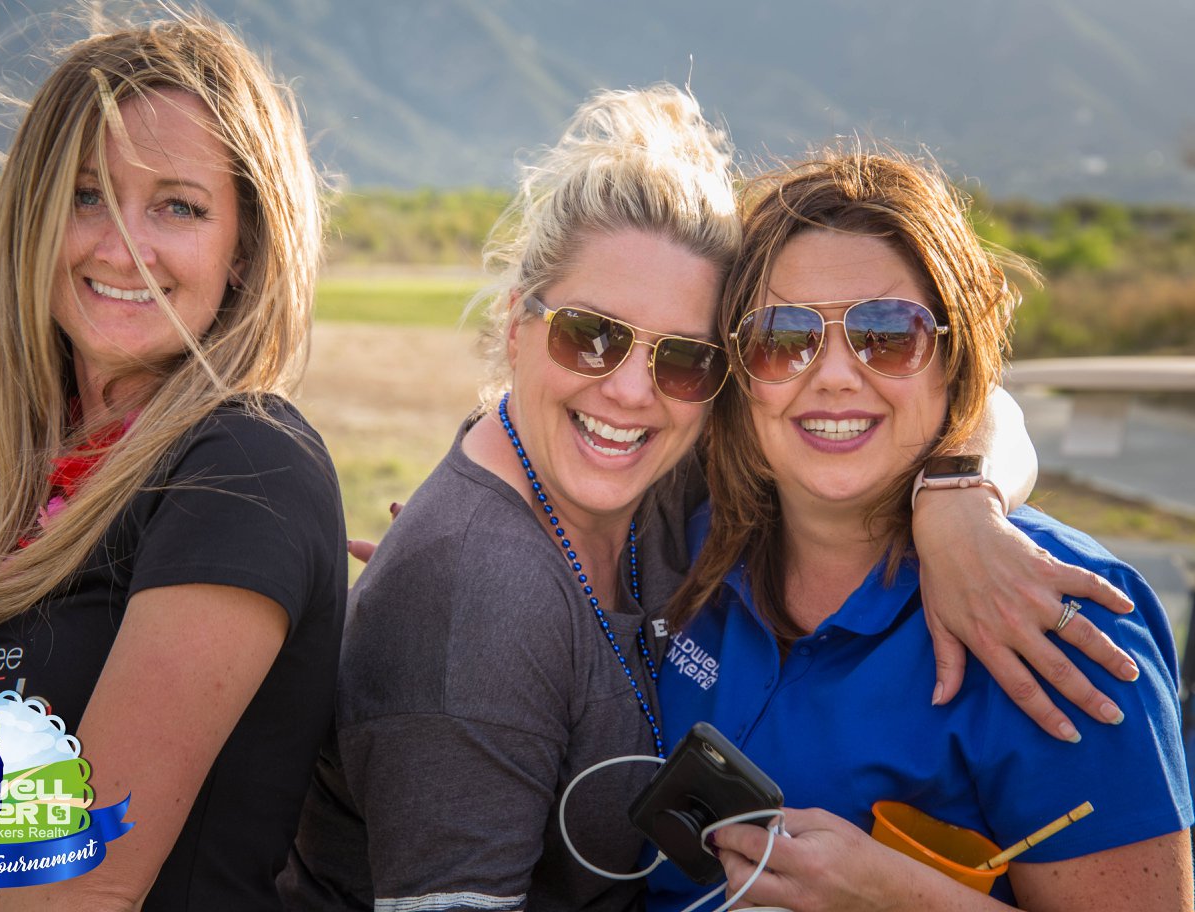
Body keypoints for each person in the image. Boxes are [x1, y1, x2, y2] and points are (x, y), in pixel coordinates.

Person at [279, 88, 1135, 912]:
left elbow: (966, 400)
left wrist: (961, 502)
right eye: (590, 336)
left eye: (685, 358)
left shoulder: (677, 481)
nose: (630, 391)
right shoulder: (486, 583)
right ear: (516, 326)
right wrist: (460, 587)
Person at [0, 13, 346, 911]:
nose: (119, 247)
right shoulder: (39, 480)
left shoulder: (242, 467)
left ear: (245, 250)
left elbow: (86, 887)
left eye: (179, 206)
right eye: (86, 195)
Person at [649, 150, 1193, 911]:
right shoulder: (675, 536)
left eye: (887, 334)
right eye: (783, 338)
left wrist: (898, 898)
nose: (834, 374)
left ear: (954, 358)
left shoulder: (1054, 615)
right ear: (738, 372)